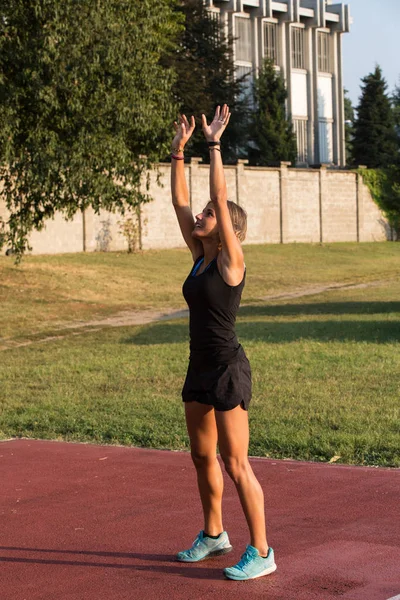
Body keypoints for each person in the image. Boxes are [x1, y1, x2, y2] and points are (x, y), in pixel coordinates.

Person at [170, 105, 276, 581]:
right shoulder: (198, 257)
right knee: (200, 455)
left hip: (229, 369)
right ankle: (214, 535)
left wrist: (213, 144)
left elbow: (218, 191)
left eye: (208, 215)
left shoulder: (230, 262)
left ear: (227, 227)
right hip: (199, 368)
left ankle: (263, 551)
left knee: (236, 463)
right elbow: (179, 203)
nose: (200, 214)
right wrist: (177, 152)